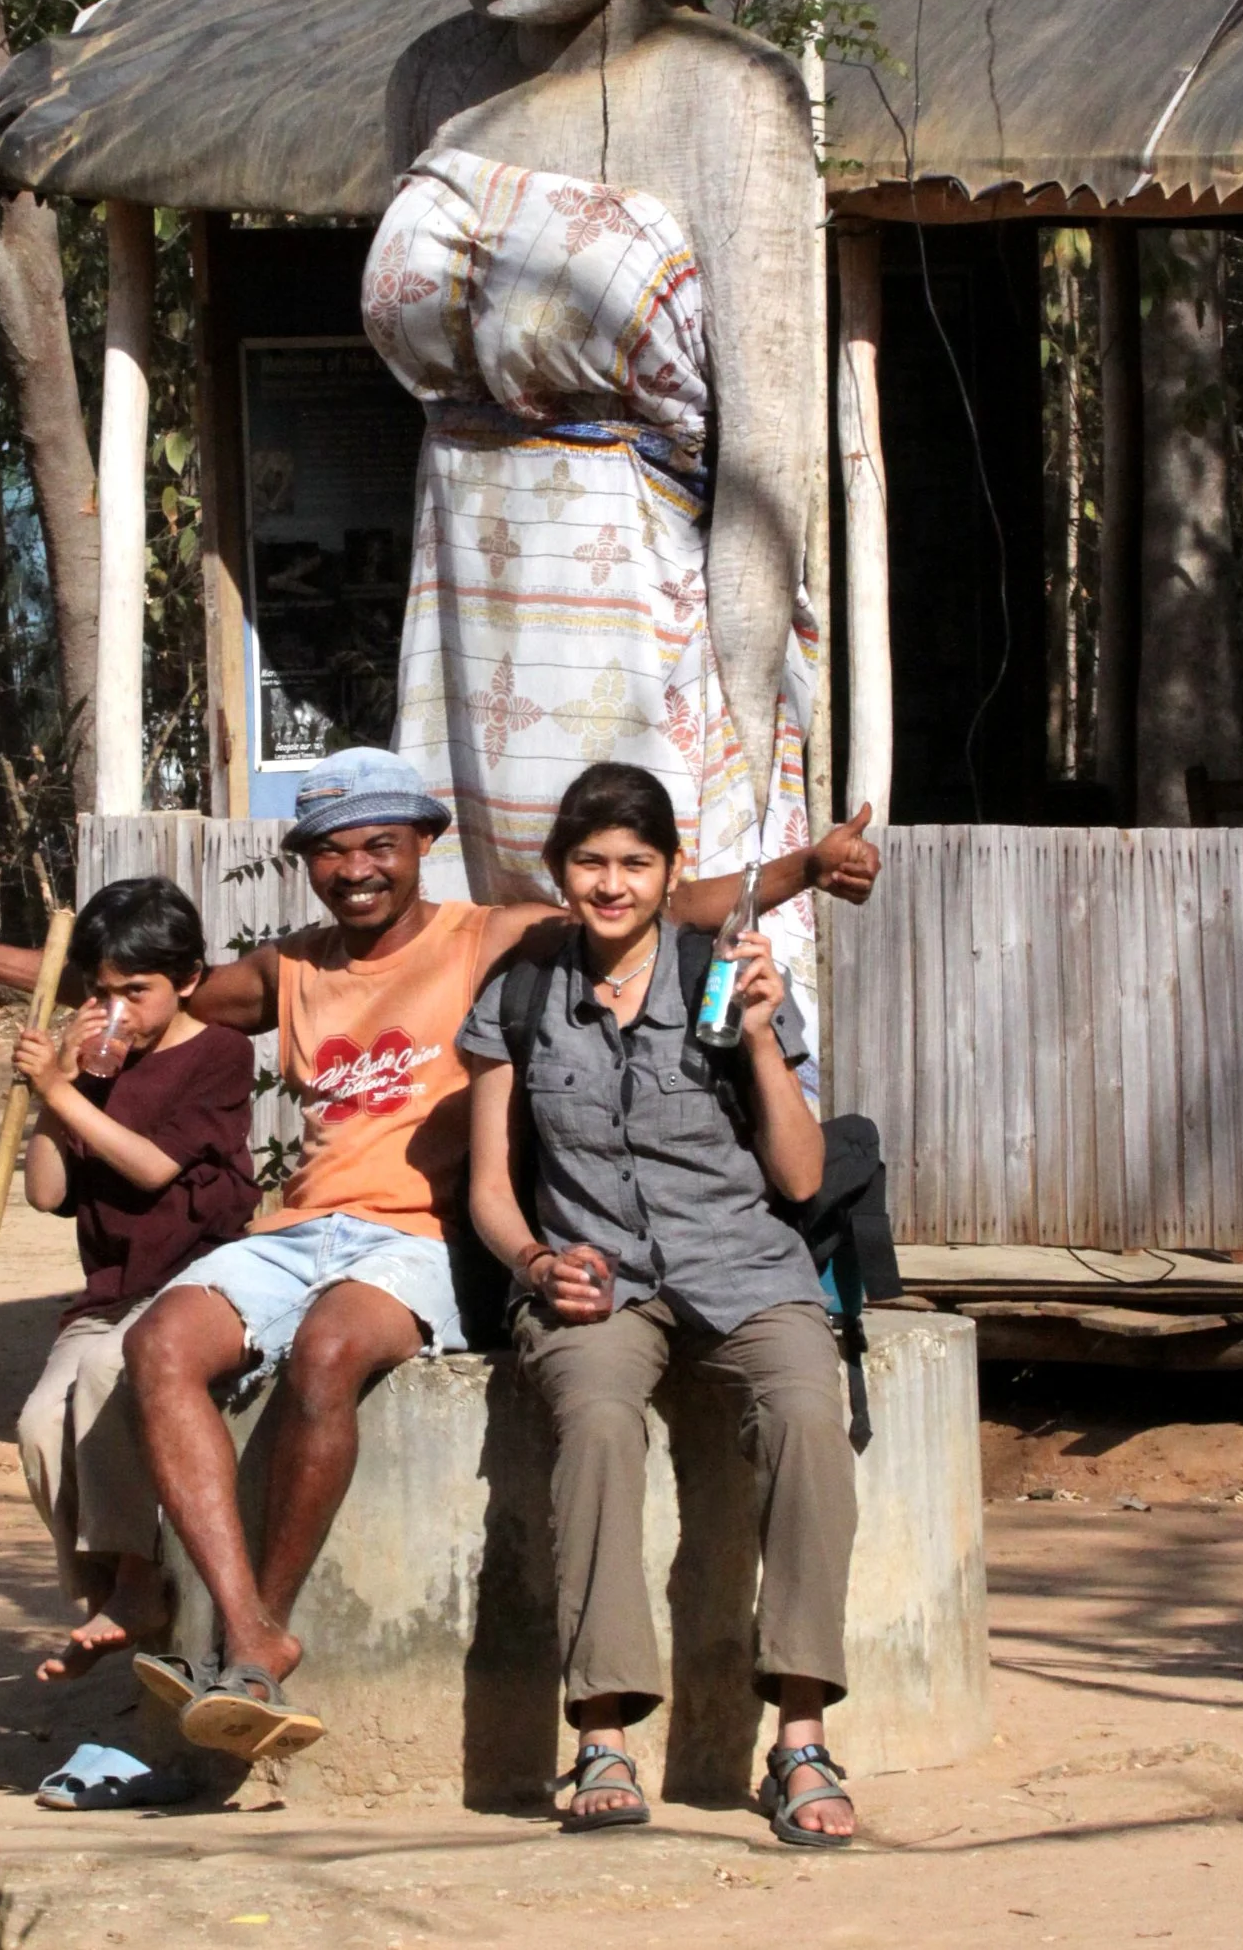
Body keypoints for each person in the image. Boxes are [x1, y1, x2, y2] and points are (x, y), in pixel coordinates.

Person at [0, 746, 879, 1765]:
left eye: (381, 844)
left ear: (426, 846)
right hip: (300, 1229)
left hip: (417, 1237)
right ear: (308, 864)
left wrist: (807, 866)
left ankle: (260, 1636)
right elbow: (151, 986)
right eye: (331, 851)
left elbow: (658, 897)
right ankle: (251, 1639)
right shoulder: (292, 970)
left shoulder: (492, 939)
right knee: (158, 1346)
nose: (357, 868)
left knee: (330, 1351)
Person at [462, 762, 858, 1846]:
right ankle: (602, 1733)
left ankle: (802, 1738)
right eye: (590, 861)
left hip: (743, 1264)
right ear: (560, 873)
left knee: (809, 1422)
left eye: (636, 862)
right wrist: (539, 1267)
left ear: (670, 872)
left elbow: (802, 1177)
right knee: (593, 1425)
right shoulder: (524, 991)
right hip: (599, 1282)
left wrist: (767, 1038)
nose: (612, 883)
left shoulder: (725, 975)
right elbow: (491, 1185)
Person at [11, 877, 256, 1684]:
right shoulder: (91, 1070)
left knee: (110, 1377)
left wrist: (59, 1091)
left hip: (192, 1278)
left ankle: (138, 1586)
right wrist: (62, 1091)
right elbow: (46, 1191)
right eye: (103, 992)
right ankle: (102, 1595)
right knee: (42, 1423)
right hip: (110, 1289)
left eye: (138, 992)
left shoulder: (217, 1054)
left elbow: (153, 1169)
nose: (120, 1010)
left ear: (187, 979)